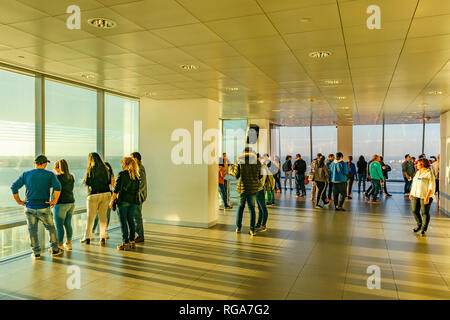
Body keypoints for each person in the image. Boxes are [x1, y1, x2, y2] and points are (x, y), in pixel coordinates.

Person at [11, 155, 64, 259]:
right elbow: (58, 187)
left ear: (35, 163)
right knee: (51, 228)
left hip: (29, 207)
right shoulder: (49, 174)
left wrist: (19, 201)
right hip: (44, 206)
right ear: (44, 164)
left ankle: (36, 253)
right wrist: (54, 200)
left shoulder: (26, 174)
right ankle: (54, 249)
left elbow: (14, 187)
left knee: (32, 230)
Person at [110, 157, 141, 250]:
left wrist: (112, 200)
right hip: (133, 202)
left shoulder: (122, 174)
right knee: (131, 221)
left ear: (126, 164)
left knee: (123, 222)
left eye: (123, 163)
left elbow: (116, 189)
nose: (122, 165)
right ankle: (132, 241)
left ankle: (125, 242)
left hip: (123, 201)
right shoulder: (137, 176)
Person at [81, 152, 112, 246]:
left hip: (94, 195)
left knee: (90, 217)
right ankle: (102, 237)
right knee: (103, 217)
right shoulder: (106, 169)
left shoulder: (91, 169)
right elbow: (109, 181)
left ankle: (87, 237)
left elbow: (87, 182)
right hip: (106, 194)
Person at [230, 147, 261, 236]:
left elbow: (236, 175)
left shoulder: (240, 161)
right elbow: (260, 176)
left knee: (240, 208)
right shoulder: (257, 162)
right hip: (253, 188)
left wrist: (230, 170)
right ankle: (252, 230)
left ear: (244, 152)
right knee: (252, 209)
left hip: (242, 188)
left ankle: (238, 227)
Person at [409, 158, 436, 237]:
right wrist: (411, 192)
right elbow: (414, 183)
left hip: (425, 196)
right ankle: (419, 224)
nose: (416, 165)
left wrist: (427, 197)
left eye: (417, 163)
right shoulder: (417, 173)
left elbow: (431, 186)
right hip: (416, 195)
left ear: (422, 164)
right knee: (414, 210)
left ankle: (423, 229)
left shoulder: (429, 173)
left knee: (424, 212)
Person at [53, 159, 75, 251]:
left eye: (55, 168)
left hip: (61, 203)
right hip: (71, 202)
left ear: (58, 168)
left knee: (59, 225)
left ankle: (60, 244)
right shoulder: (71, 177)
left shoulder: (57, 177)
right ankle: (69, 243)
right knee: (68, 223)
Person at [92, 162, 114, 238]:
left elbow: (112, 186)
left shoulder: (111, 177)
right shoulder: (99, 176)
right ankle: (92, 231)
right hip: (100, 196)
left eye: (107, 168)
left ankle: (104, 231)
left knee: (107, 215)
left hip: (108, 196)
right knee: (97, 215)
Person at [131, 152, 148, 242]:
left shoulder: (138, 168)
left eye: (132, 158)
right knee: (136, 216)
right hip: (140, 195)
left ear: (135, 159)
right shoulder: (140, 167)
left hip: (138, 196)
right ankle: (138, 235)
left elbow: (140, 183)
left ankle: (140, 236)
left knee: (137, 216)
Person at [255, 154, 269, 232]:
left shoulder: (261, 167)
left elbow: (260, 180)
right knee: (260, 208)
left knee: (263, 207)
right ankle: (259, 223)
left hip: (259, 189)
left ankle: (263, 225)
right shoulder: (263, 167)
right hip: (260, 189)